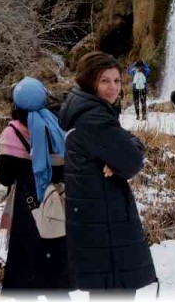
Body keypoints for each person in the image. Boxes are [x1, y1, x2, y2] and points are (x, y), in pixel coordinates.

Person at [59, 51, 157, 295]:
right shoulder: (95, 119)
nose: (113, 88)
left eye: (116, 80)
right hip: (106, 225)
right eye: (104, 81)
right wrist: (131, 146)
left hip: (96, 220)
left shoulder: (86, 110)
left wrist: (125, 146)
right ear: (89, 81)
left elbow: (125, 153)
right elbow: (132, 162)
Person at [0, 77, 72, 297]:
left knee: (26, 269)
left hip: (27, 209)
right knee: (55, 271)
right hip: (56, 205)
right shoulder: (57, 125)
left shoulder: (13, 133)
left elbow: (5, 176)